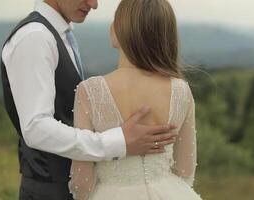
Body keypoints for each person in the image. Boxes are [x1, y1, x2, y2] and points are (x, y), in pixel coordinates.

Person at [0, 0, 177, 199]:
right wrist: (118, 142)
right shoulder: (35, 37)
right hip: (50, 190)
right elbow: (35, 127)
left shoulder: (58, 34)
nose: (94, 5)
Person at [68, 0, 202, 199]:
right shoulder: (181, 90)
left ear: (120, 30)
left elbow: (82, 181)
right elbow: (185, 169)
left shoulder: (90, 91)